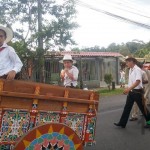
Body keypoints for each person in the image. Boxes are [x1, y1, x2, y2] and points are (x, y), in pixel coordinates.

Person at [114, 57, 150, 128]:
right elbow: (132, 82)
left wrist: (128, 89)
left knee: (143, 108)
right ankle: (122, 123)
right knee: (127, 108)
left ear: (132, 62)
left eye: (127, 62)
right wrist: (128, 89)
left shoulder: (137, 70)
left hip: (137, 92)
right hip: (131, 92)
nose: (126, 63)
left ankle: (149, 122)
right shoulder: (131, 69)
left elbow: (137, 81)